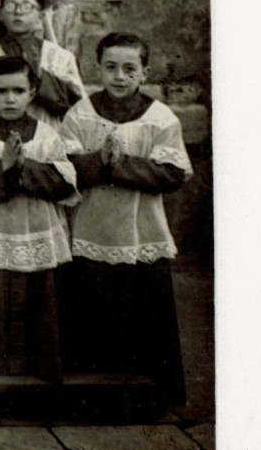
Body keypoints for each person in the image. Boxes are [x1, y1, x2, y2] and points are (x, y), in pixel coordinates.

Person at [59, 32, 192, 407]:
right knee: (91, 309)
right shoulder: (81, 114)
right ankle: (90, 395)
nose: (119, 76)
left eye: (129, 69)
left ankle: (150, 397)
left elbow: (173, 173)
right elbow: (65, 165)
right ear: (97, 68)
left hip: (140, 230)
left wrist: (121, 166)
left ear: (144, 72)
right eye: (111, 67)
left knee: (143, 312)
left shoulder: (159, 118)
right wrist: (97, 162)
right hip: (92, 226)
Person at [0, 56, 78, 382]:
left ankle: (39, 374)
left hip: (36, 227)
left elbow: (65, 180)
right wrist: (3, 168)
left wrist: (23, 168)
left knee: (40, 300)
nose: (10, 99)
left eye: (18, 90)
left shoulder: (47, 134)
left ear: (32, 92)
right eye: (1, 91)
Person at [0, 0, 87, 125]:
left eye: (27, 6)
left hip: (52, 133)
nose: (18, 12)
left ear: (41, 16)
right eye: (10, 5)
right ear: (0, 14)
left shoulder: (61, 57)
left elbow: (80, 105)